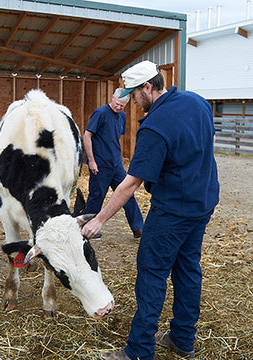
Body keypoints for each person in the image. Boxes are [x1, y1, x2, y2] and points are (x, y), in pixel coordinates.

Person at [82, 60, 220, 360]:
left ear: (148, 87)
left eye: (134, 94)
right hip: (204, 202)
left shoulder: (154, 127)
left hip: (173, 210)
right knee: (188, 269)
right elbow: (209, 140)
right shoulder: (196, 101)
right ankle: (183, 339)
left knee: (151, 273)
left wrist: (100, 220)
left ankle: (139, 350)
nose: (131, 101)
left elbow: (131, 184)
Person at [83, 88, 143, 239]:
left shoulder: (122, 116)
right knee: (97, 196)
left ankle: (138, 228)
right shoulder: (100, 113)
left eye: (122, 105)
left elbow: (114, 138)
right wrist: (91, 160)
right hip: (100, 164)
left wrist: (117, 157)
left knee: (128, 194)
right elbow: (87, 136)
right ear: (112, 98)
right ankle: (89, 228)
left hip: (116, 164)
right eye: (117, 104)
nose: (118, 107)